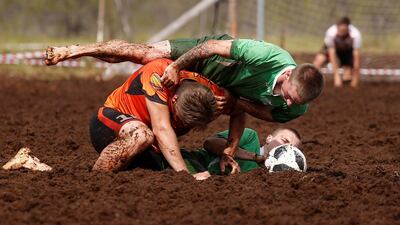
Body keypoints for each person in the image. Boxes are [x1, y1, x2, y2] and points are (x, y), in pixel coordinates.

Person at [45, 34, 323, 174]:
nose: (288, 102)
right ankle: (77, 50)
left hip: (217, 89)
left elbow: (246, 111)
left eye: (294, 102)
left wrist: (231, 148)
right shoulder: (267, 55)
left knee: (176, 126)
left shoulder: (295, 107)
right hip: (210, 58)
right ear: (287, 75)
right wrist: (175, 66)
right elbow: (211, 46)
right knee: (150, 54)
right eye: (288, 95)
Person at [89, 58, 233, 180]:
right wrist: (187, 176)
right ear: (175, 99)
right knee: (142, 136)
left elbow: (239, 109)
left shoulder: (214, 95)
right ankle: (96, 179)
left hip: (150, 147)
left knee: (164, 167)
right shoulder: (159, 75)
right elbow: (161, 129)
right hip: (111, 122)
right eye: (180, 119)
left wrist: (229, 152)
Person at [141, 127, 301, 176]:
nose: (285, 149)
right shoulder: (250, 137)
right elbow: (209, 143)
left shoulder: (265, 176)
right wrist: (254, 157)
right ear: (268, 138)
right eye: (284, 141)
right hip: (193, 162)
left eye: (291, 148)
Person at [313, 17, 362, 88]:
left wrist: (355, 81)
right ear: (337, 27)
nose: (341, 33)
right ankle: (312, 82)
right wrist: (337, 77)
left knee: (347, 77)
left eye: (343, 31)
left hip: (347, 51)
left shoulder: (356, 35)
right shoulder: (331, 33)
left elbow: (357, 57)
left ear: (348, 28)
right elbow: (332, 53)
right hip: (333, 50)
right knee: (318, 61)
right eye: (340, 30)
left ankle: (347, 75)